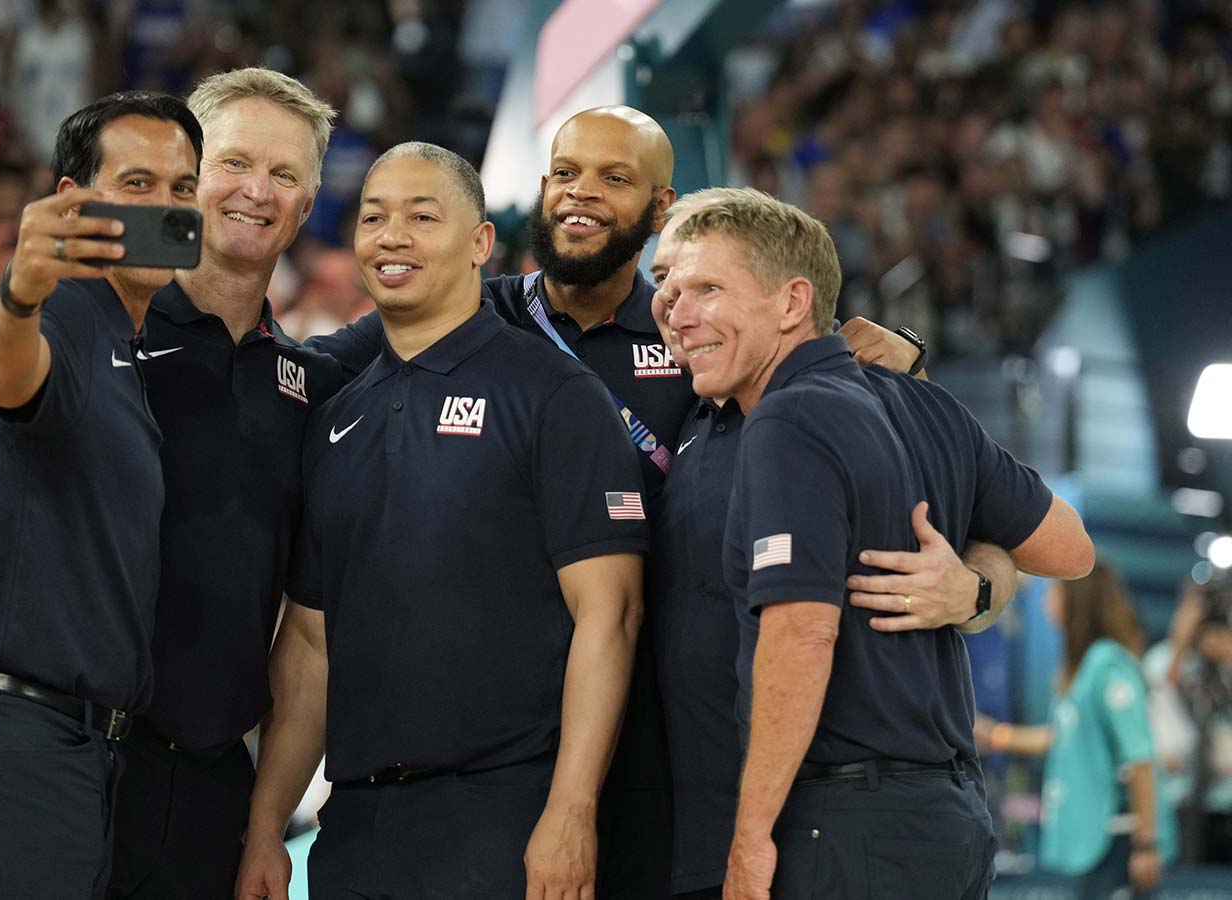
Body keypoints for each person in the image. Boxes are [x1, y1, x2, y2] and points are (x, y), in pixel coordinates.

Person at [306, 107, 931, 897]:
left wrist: (976, 582)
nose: (582, 194)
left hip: (686, 708)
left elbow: (858, 388)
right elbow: (295, 375)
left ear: (661, 207)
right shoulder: (474, 311)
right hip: (534, 719)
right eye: (566, 173)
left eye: (614, 178)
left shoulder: (695, 325)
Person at [0, 68, 344, 899]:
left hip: (196, 783)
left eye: (285, 175)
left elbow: (304, 632)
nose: (254, 193)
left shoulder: (307, 384)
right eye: (232, 164)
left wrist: (266, 820)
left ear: (306, 205)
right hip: (59, 747)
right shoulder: (80, 317)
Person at [654, 192, 1095, 900]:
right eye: (666, 287)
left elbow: (800, 634)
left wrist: (975, 588)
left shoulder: (788, 412)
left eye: (705, 286)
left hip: (836, 824)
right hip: (941, 817)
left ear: (792, 301)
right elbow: (1073, 549)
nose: (676, 310)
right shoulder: (922, 402)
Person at [235, 142, 646, 899]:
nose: (392, 236)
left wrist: (571, 810)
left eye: (422, 216)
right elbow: (308, 644)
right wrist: (266, 828)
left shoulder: (555, 393)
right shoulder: (334, 421)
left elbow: (611, 614)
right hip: (353, 830)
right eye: (374, 217)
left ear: (480, 244)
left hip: (505, 821)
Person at [0, 90, 202, 900]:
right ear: (71, 201)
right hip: (5, 740)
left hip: (50, 745)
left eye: (181, 189)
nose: (165, 205)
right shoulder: (58, 315)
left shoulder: (119, 339)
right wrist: (18, 296)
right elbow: (13, 372)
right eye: (137, 184)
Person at [976, 562, 1177, 897]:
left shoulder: (1108, 664)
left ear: (1078, 598)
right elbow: (1063, 737)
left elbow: (1140, 757)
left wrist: (1146, 845)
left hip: (1119, 840)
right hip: (1094, 843)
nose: (1046, 601)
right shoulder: (1079, 670)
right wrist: (994, 735)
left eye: (1055, 591)